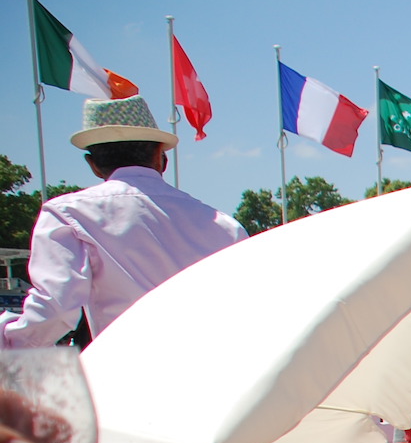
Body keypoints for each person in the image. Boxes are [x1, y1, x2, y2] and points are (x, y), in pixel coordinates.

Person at [2, 97, 246, 348]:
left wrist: (8, 341)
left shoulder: (67, 214)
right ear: (161, 157)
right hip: (218, 376)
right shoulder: (226, 227)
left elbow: (56, 307)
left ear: (93, 165)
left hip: (125, 376)